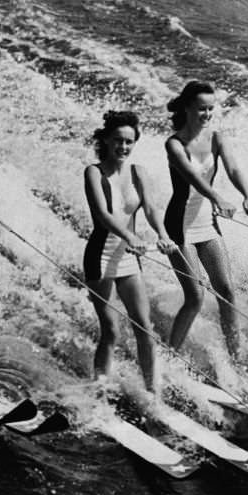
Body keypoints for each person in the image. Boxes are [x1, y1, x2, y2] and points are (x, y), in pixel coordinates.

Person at [163, 81, 248, 358]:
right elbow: (193, 178)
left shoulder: (217, 138)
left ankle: (236, 357)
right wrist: (218, 198)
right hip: (179, 225)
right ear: (186, 108)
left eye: (210, 109)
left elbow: (232, 168)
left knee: (227, 292)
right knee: (195, 297)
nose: (206, 114)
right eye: (201, 109)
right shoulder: (174, 144)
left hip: (207, 223)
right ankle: (171, 355)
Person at [83, 110, 175, 391]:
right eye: (118, 141)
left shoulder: (139, 172)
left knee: (144, 328)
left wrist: (163, 235)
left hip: (128, 258)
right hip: (101, 256)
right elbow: (102, 214)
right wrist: (130, 236)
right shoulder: (94, 173)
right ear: (106, 141)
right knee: (111, 330)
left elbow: (150, 208)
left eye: (129, 142)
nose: (123, 147)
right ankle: (99, 392)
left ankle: (152, 392)